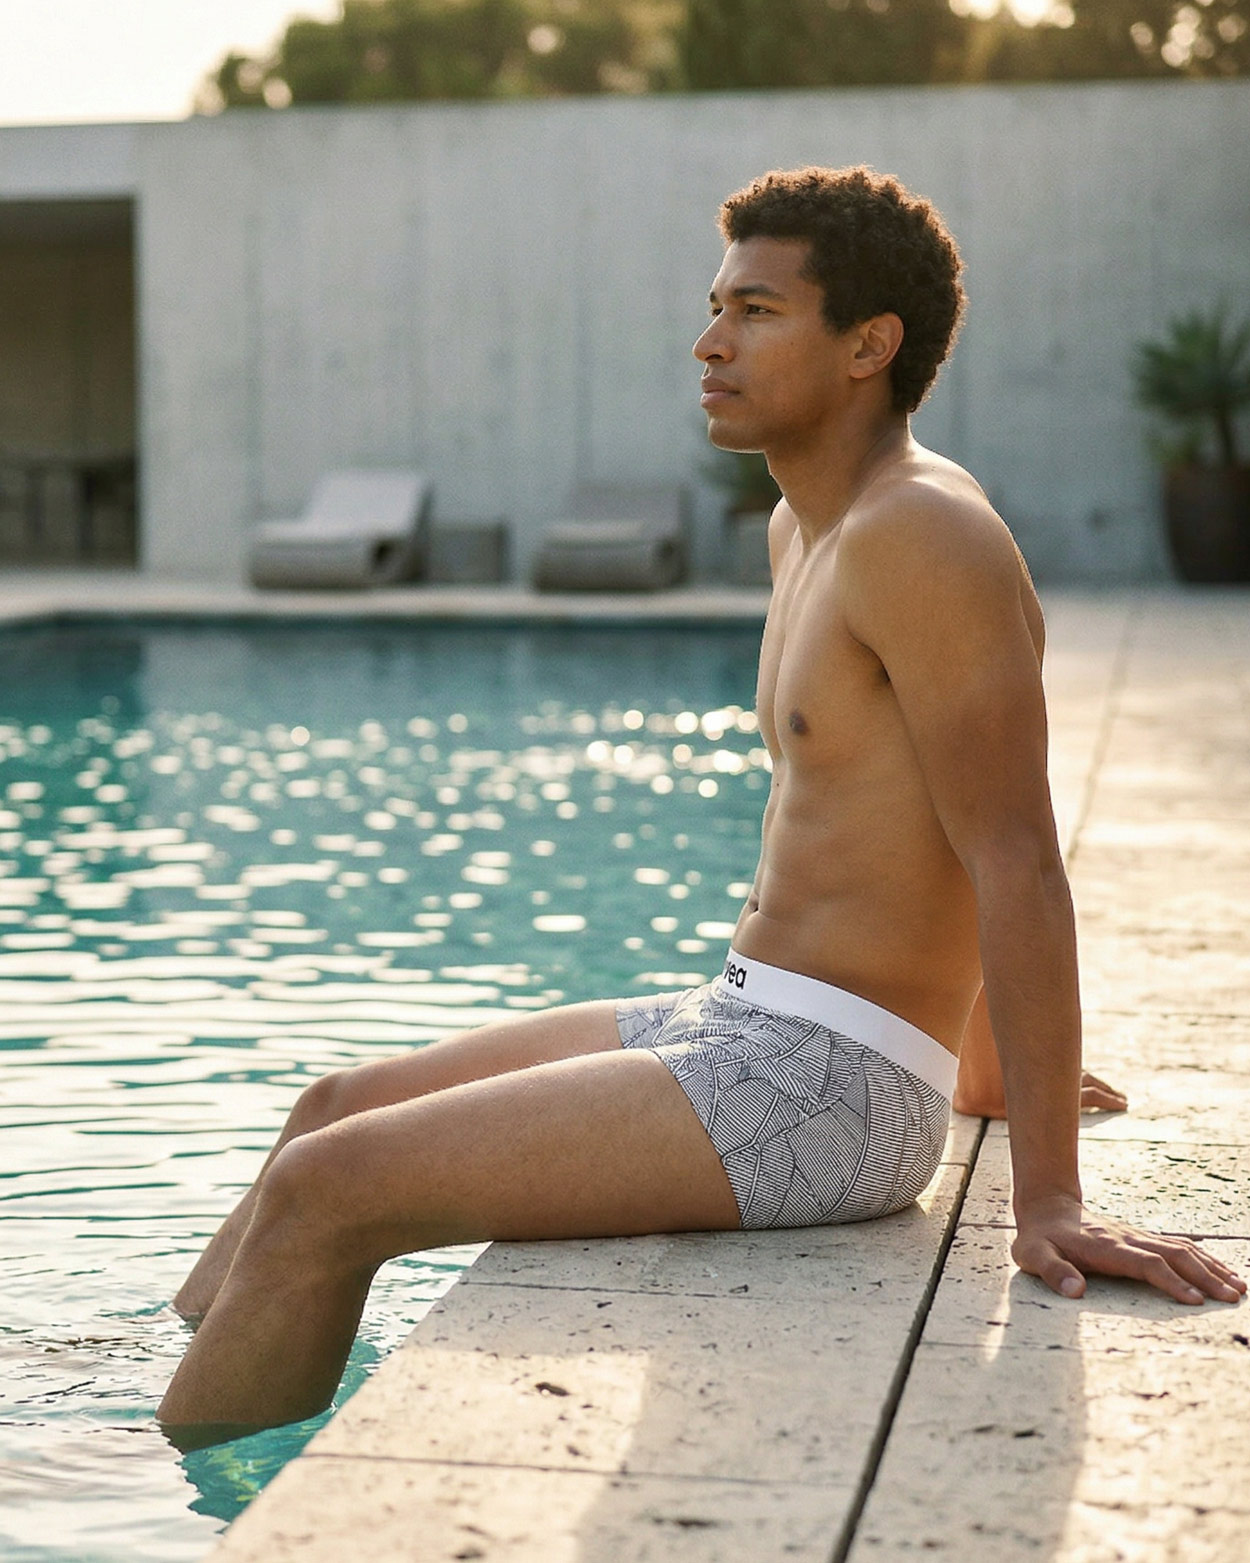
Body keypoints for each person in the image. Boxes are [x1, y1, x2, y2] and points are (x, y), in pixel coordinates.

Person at [159, 165, 1243, 1436]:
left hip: (829, 1085)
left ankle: (184, 1481)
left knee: (331, 1187)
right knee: (333, 1111)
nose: (708, 342)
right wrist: (989, 1065)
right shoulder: (803, 528)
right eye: (715, 305)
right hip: (738, 1014)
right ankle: (153, 1391)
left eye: (755, 312)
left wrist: (1047, 1198)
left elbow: (1012, 855)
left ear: (867, 346)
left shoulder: (924, 535)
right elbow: (908, 824)